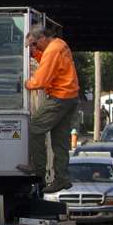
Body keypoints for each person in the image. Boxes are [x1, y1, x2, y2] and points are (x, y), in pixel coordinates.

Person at [18, 25, 80, 193]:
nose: (33, 48)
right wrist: (35, 53)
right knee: (60, 140)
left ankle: (38, 169)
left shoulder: (52, 50)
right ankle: (62, 178)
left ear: (43, 39)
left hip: (59, 97)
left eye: (34, 45)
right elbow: (51, 64)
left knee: (35, 127)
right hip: (70, 97)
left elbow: (40, 81)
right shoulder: (60, 44)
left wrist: (25, 83)